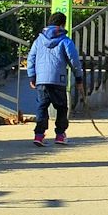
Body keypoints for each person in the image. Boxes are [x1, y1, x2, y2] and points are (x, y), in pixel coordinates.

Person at [25, 11, 84, 146]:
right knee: (62, 107)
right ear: (62, 24)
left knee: (42, 106)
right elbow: (74, 60)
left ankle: (39, 135)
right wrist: (79, 78)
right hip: (58, 79)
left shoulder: (39, 40)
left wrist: (32, 76)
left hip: (41, 80)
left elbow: (31, 58)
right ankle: (60, 135)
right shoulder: (65, 40)